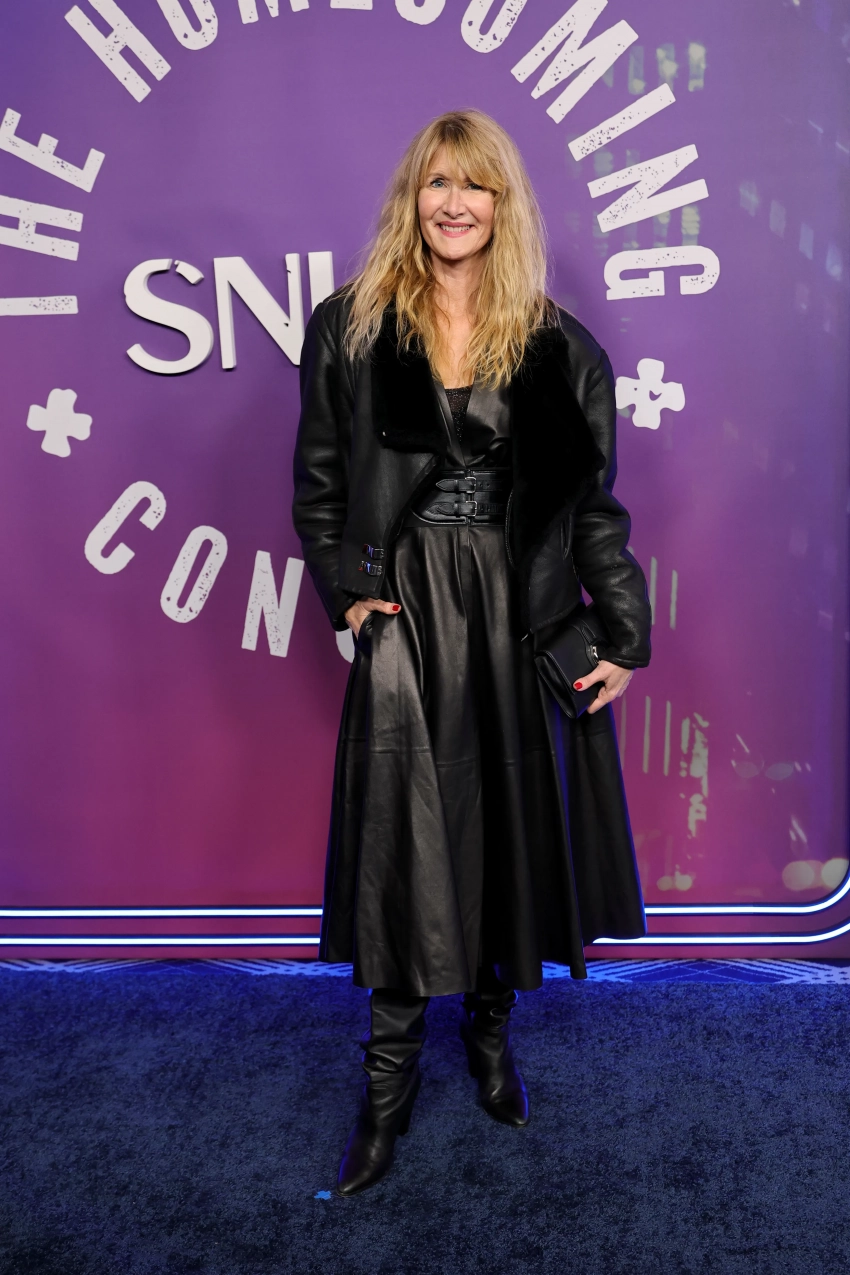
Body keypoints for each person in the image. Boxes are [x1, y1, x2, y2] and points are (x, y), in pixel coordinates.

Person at [292, 109, 652, 1196]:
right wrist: (350, 597)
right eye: (438, 183)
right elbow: (319, 486)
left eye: (476, 185)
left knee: (507, 831)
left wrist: (625, 633)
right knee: (403, 846)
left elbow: (592, 511)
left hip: (517, 611)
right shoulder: (351, 326)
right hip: (407, 611)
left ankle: (490, 1039)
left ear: (504, 204)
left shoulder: (557, 344)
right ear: (415, 196)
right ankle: (386, 1091)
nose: (455, 204)